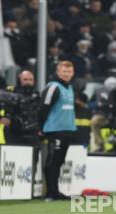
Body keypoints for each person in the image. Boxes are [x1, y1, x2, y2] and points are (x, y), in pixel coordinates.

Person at [39, 61, 76, 201]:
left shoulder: (69, 87)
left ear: (72, 73)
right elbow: (43, 108)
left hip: (67, 129)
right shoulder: (53, 87)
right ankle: (50, 193)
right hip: (55, 129)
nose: (66, 74)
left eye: (69, 71)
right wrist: (41, 128)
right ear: (58, 72)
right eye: (64, 71)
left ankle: (55, 191)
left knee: (59, 161)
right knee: (53, 161)